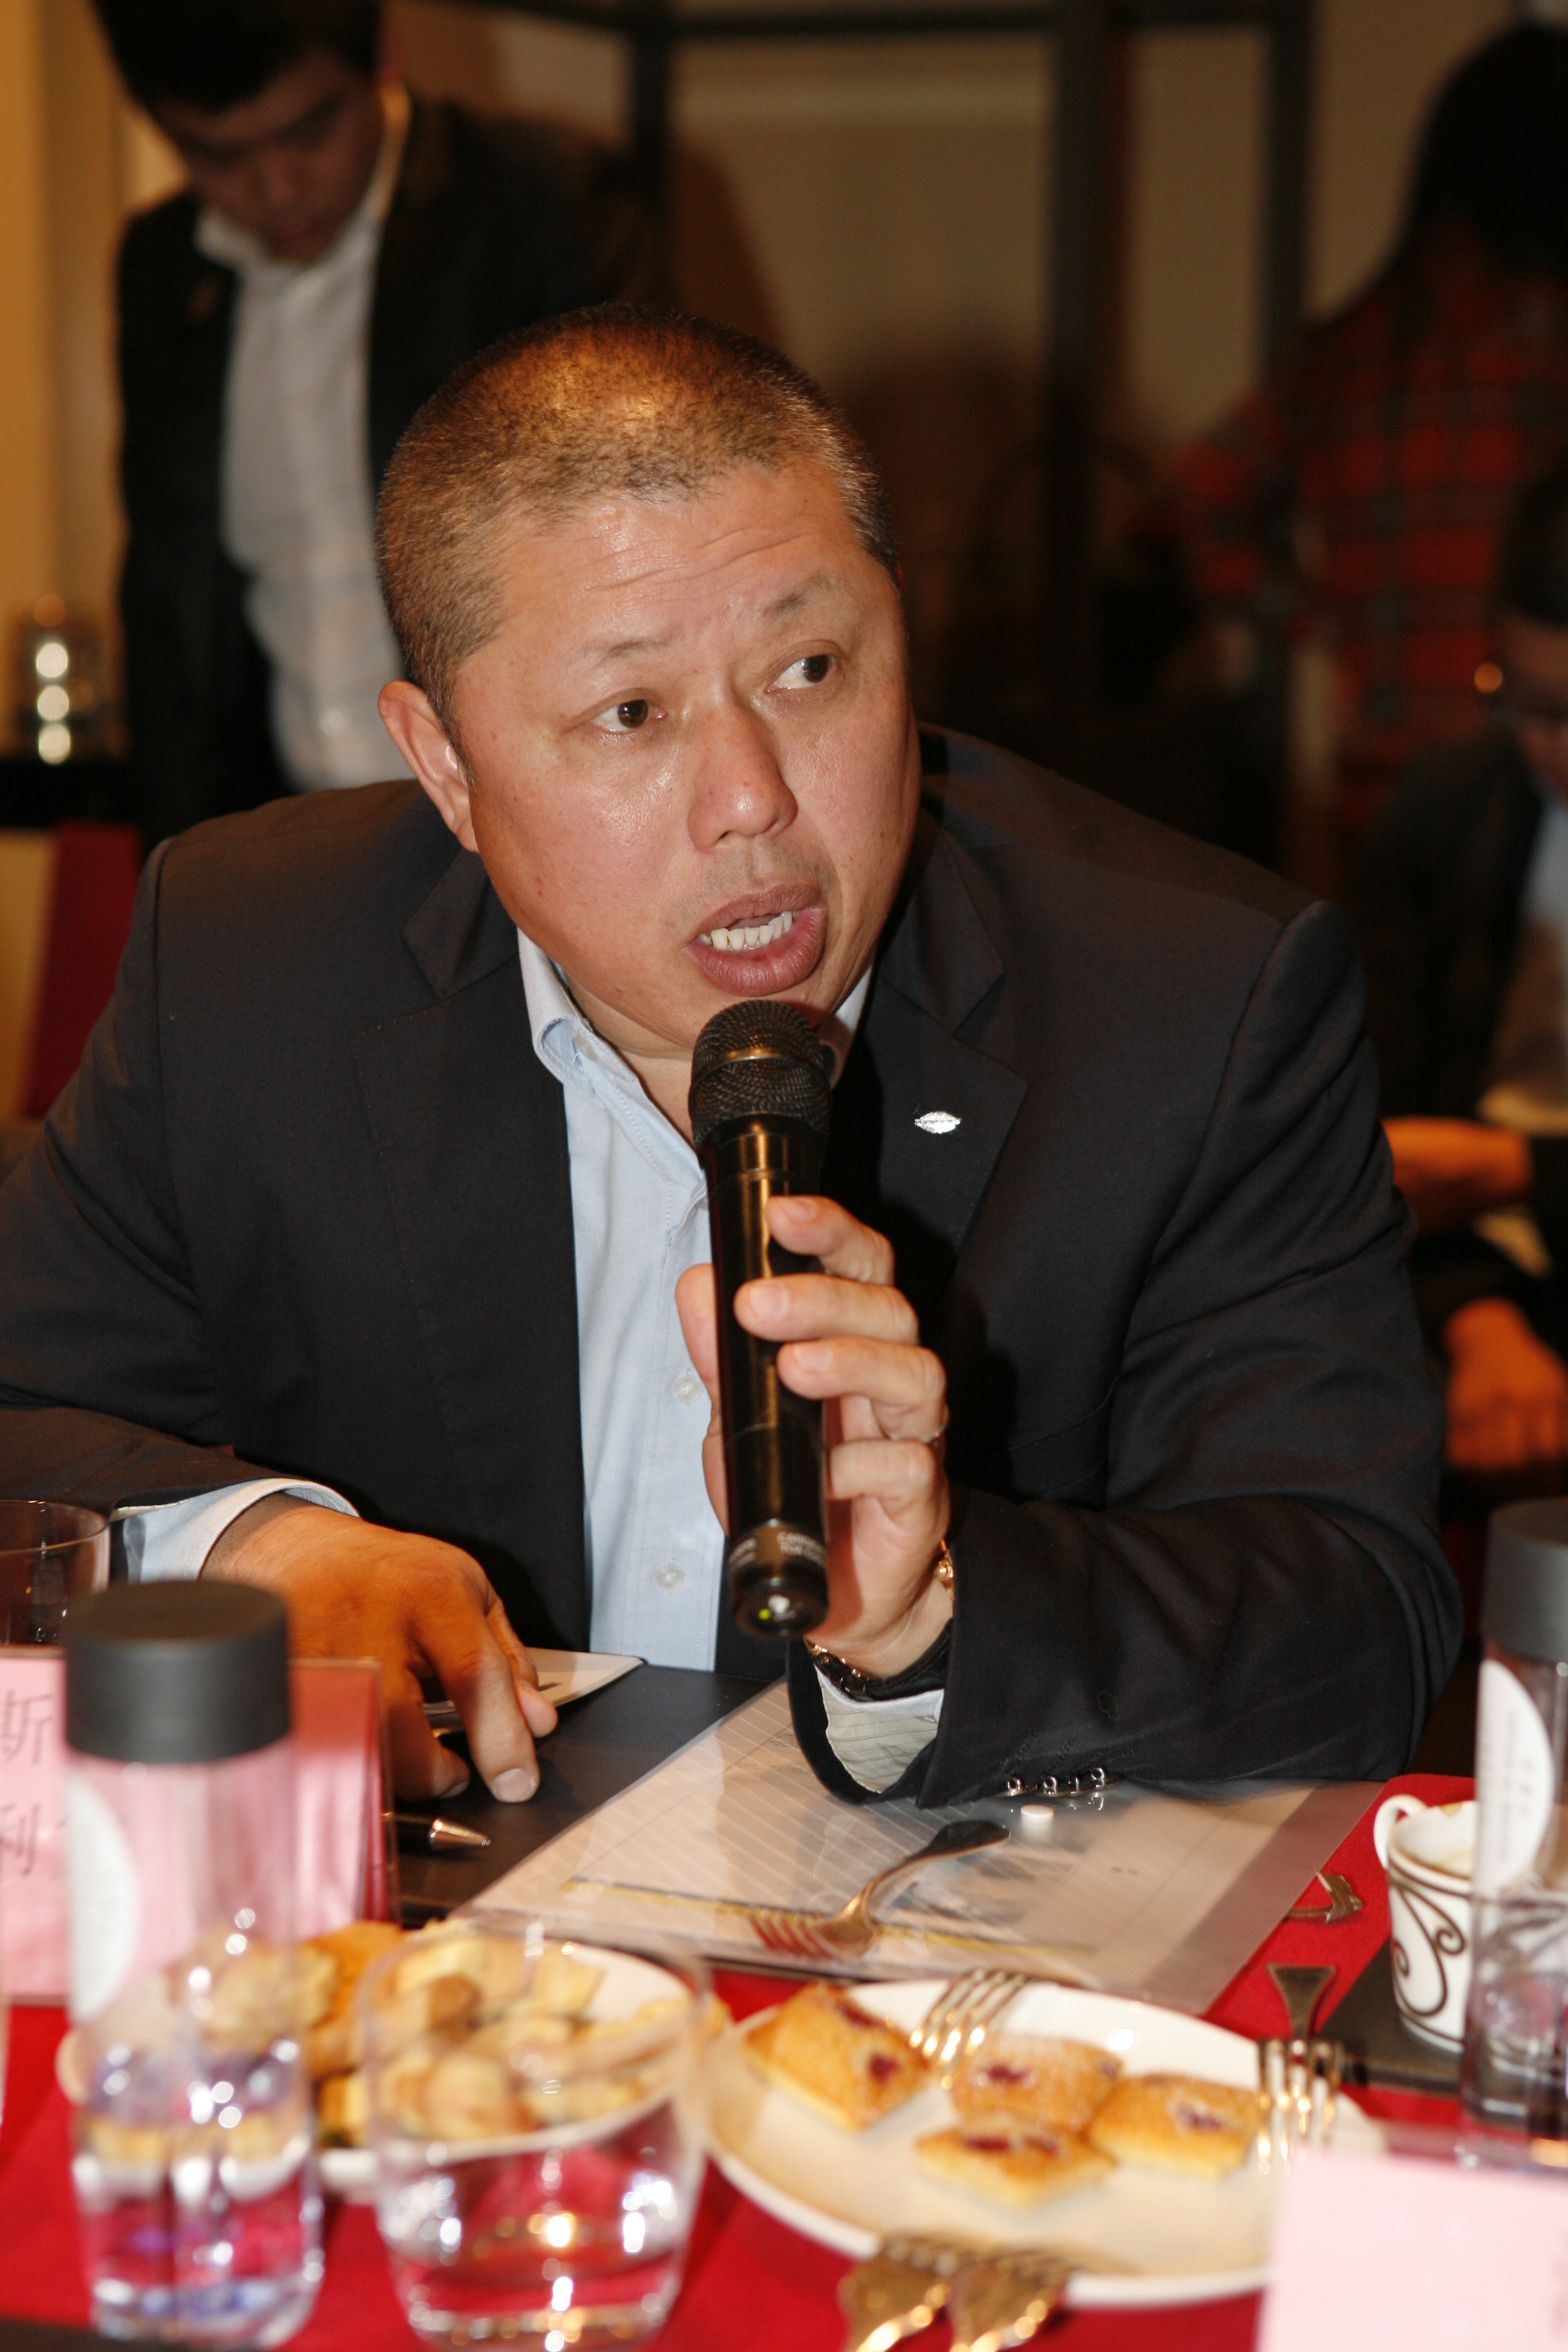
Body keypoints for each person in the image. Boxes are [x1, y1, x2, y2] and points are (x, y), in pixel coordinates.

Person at [0, 312, 1457, 1809]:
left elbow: (1363, 1617)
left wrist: (934, 1608)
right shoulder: (253, 962)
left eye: (811, 667)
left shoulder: (1195, 1005)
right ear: (445, 766)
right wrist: (253, 1541)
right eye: (631, 713)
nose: (749, 796)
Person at [94, 0, 654, 843]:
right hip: (283, 841)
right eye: (218, 155)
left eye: (311, 131)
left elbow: (643, 540)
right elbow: (165, 608)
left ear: (383, 54)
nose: (277, 187)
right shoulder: (162, 268)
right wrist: (182, 868)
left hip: (526, 824)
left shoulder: (542, 205)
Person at [1146, 22, 1568, 843]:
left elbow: (1187, 508)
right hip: (1524, 791)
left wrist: (1326, 615)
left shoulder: (1351, 349)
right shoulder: (1547, 344)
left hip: (1383, 787)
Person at [1355, 457, 1568, 1482]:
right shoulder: (1450, 805)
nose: (1550, 748)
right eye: (1524, 702)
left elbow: (1464, 1163)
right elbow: (1384, 1124)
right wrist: (1481, 1323)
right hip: (1461, 1264)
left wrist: (1515, 1169)